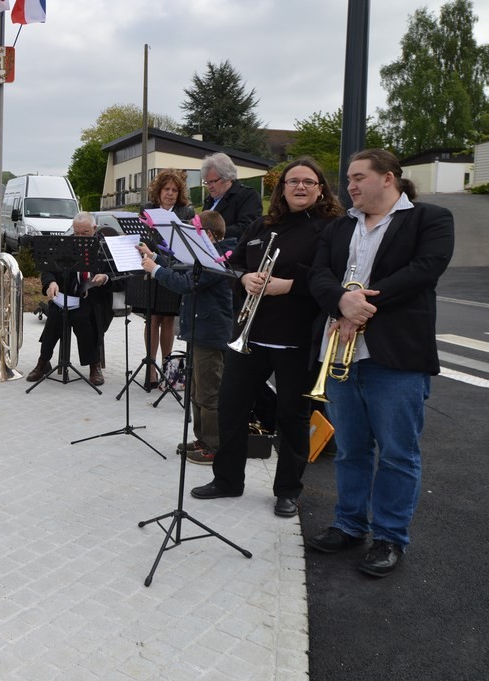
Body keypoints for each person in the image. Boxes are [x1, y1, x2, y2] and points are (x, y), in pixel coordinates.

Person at [306, 149, 454, 577]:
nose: (348, 185)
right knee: (351, 449)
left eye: (357, 177)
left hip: (395, 356)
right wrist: (339, 300)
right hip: (340, 355)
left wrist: (359, 306)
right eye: (348, 178)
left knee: (396, 454)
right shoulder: (339, 226)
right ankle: (349, 525)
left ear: (388, 178)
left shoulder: (430, 218)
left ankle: (390, 537)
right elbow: (318, 275)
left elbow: (425, 270)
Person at [191, 158, 345, 518]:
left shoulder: (332, 228)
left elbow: (331, 276)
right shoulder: (263, 224)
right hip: (253, 335)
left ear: (320, 188)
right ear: (282, 188)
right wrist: (244, 280)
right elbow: (234, 265)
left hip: (297, 339)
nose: (301, 187)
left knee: (292, 417)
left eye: (309, 181)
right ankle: (228, 480)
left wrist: (289, 285)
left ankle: (288, 490)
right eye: (293, 181)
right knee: (232, 408)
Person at [138, 210, 232, 459]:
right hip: (198, 330)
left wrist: (155, 270)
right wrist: (155, 256)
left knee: (208, 392)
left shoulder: (218, 259)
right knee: (195, 391)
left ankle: (213, 447)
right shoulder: (206, 256)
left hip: (210, 333)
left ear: (208, 235)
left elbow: (185, 283)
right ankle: (202, 440)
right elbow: (183, 270)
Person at [26, 212, 113, 387]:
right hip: (67, 297)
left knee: (83, 317)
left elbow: (119, 274)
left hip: (94, 299)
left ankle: (94, 364)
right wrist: (51, 283)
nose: (79, 238)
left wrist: (105, 277)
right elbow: (48, 269)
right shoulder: (65, 245)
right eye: (77, 233)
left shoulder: (105, 247)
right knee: (56, 317)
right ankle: (43, 361)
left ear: (94, 229)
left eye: (85, 233)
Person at [138, 169, 196, 389]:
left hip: (174, 269)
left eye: (174, 190)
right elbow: (142, 238)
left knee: (168, 320)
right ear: (158, 191)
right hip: (149, 266)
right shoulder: (147, 209)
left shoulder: (186, 212)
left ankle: (168, 368)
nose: (170, 193)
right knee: (152, 319)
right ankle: (150, 368)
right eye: (166, 189)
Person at [201, 152, 262, 241]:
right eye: (207, 182)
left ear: (227, 178)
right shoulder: (210, 199)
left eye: (213, 181)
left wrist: (215, 234)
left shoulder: (247, 196)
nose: (209, 186)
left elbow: (247, 228)